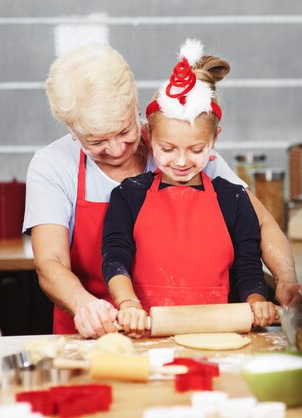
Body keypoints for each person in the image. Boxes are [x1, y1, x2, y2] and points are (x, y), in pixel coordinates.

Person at [23, 43, 302, 339]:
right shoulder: (53, 165)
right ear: (72, 130)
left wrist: (286, 280)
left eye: (124, 131)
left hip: (186, 330)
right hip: (92, 337)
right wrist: (86, 307)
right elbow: (50, 263)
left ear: (135, 107)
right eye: (95, 142)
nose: (116, 149)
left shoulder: (180, 149)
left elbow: (261, 223)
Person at [101, 39, 278, 337]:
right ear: (148, 136)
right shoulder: (128, 195)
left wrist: (257, 302)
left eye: (196, 150)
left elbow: (248, 267)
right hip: (145, 332)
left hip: (219, 333)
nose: (181, 161)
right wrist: (128, 304)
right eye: (167, 148)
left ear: (214, 141)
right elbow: (115, 257)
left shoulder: (232, 197)